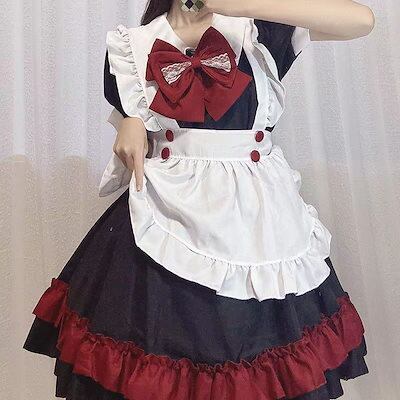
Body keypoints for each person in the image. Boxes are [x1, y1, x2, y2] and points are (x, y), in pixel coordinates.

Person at [23, 0, 375, 399]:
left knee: (257, 356)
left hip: (257, 221)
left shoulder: (259, 29)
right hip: (162, 216)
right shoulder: (133, 46)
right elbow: (132, 107)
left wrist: (238, 4)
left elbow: (361, 21)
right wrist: (130, 122)